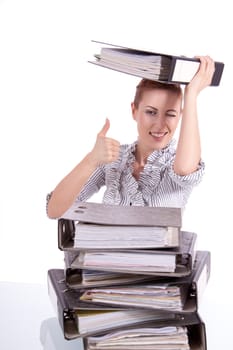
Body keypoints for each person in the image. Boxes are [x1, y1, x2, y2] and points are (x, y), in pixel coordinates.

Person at [47, 56, 215, 219]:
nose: (160, 124)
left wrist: (191, 94)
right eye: (151, 112)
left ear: (180, 117)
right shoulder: (113, 159)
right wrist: (91, 160)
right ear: (134, 111)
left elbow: (185, 170)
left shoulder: (177, 163)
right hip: (105, 248)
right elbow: (54, 210)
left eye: (170, 114)